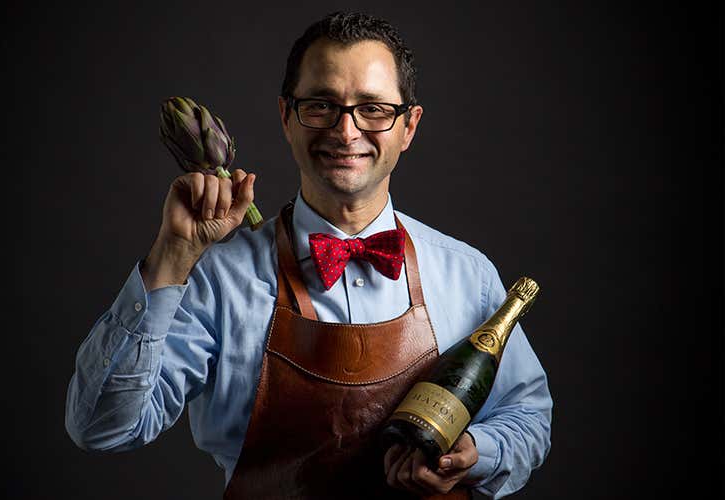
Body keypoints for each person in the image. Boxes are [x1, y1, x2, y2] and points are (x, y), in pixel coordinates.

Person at [65, 11, 552, 499]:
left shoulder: (468, 274)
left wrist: (476, 452)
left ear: (409, 126)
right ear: (286, 117)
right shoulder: (221, 278)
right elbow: (102, 428)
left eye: (373, 108)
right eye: (321, 105)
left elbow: (527, 416)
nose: (346, 131)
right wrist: (171, 256)